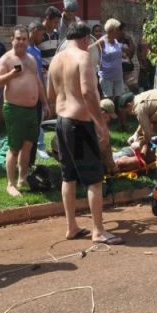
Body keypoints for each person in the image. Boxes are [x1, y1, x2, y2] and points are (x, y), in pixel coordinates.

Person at [47, 21, 124, 245]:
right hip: (80, 124)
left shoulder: (55, 60)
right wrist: (100, 124)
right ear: (85, 39)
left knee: (68, 176)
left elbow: (51, 94)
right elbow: (89, 92)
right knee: (94, 180)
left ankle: (71, 226)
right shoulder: (83, 57)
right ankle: (98, 231)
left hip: (61, 122)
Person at [0, 25, 49, 197]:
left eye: (24, 39)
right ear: (12, 39)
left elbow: (38, 83)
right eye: (18, 39)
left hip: (32, 109)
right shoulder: (6, 59)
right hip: (14, 109)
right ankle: (10, 184)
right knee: (14, 148)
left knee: (28, 146)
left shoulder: (31, 58)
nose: (21, 42)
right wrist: (11, 75)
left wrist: (45, 103)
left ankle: (22, 178)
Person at [27, 21, 50, 162]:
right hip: (27, 96)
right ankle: (26, 161)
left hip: (38, 94)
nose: (43, 38)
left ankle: (31, 161)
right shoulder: (25, 51)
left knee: (35, 128)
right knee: (28, 131)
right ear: (34, 30)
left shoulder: (37, 50)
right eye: (42, 34)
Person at [90, 18, 125, 101]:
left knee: (119, 100)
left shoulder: (116, 41)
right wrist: (97, 63)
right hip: (106, 77)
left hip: (118, 76)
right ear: (111, 30)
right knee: (108, 101)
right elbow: (90, 50)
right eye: (117, 30)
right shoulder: (102, 41)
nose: (119, 32)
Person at [38, 5, 62, 74]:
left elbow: (58, 53)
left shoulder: (56, 34)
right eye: (55, 22)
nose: (57, 25)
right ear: (47, 19)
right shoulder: (37, 33)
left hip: (53, 73)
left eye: (58, 22)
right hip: (41, 74)